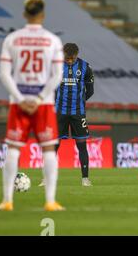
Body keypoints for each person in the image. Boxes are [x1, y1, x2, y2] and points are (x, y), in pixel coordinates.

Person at [0, 0, 65, 211]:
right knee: (48, 150)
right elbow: (57, 76)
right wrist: (38, 98)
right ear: (43, 15)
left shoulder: (12, 39)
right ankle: (50, 201)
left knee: (14, 149)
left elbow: (4, 75)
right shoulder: (53, 40)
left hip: (19, 103)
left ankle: (7, 201)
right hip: (43, 103)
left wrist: (20, 99)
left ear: (25, 14)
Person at [39, 43, 95, 187]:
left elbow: (90, 90)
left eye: (72, 58)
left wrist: (80, 102)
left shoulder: (85, 67)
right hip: (59, 113)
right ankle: (46, 179)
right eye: (67, 58)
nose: (69, 61)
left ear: (77, 54)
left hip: (78, 113)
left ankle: (85, 179)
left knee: (82, 145)